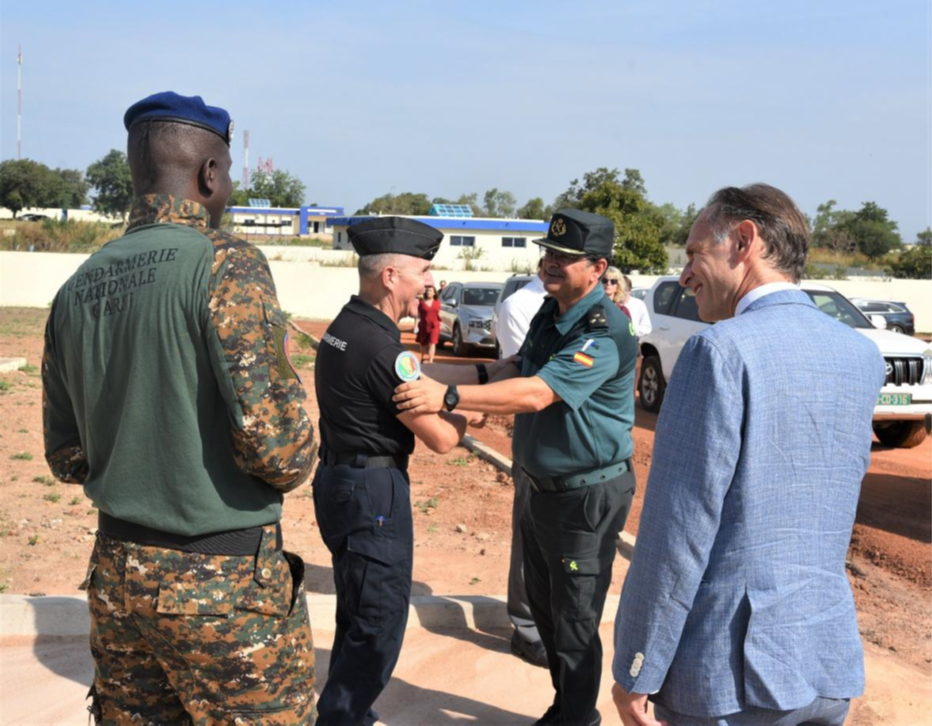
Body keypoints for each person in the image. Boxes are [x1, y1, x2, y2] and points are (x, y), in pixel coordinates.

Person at [42, 92, 318, 724]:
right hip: (220, 584)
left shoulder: (76, 286)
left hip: (117, 578)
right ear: (209, 174)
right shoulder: (226, 263)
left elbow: (66, 458)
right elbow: (281, 453)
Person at [611, 184, 885, 726]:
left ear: (744, 241)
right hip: (824, 658)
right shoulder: (859, 353)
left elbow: (677, 532)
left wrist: (637, 666)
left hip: (728, 674)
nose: (686, 276)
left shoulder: (718, 351)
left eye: (693, 255)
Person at [394, 209, 639, 726]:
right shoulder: (552, 314)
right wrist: (419, 370)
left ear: (597, 269)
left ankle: (576, 718)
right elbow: (513, 367)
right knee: (545, 609)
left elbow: (537, 392)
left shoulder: (604, 329)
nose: (550, 265)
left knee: (574, 619)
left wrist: (450, 394)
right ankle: (564, 706)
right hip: (540, 488)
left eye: (565, 259)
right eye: (548, 255)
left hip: (584, 498)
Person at [312, 217, 503, 725]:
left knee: (356, 610)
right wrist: (465, 411)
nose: (429, 283)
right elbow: (440, 438)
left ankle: (346, 711)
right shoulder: (382, 348)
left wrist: (482, 376)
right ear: (392, 276)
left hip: (340, 482)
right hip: (373, 495)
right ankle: (343, 717)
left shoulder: (347, 327)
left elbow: (418, 378)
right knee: (379, 618)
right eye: (423, 271)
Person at [492, 258, 549, 668]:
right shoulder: (523, 306)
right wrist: (453, 398)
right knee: (529, 537)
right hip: (537, 436)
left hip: (573, 448)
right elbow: (520, 378)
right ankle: (527, 629)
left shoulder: (578, 309)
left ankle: (548, 624)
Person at [416, 284, 442, 363]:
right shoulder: (422, 303)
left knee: (432, 343)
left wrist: (442, 322)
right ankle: (423, 357)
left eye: (430, 291)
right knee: (423, 343)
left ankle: (431, 360)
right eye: (427, 291)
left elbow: (439, 313)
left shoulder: (437, 303)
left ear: (434, 293)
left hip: (434, 326)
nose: (428, 292)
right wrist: (416, 326)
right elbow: (418, 315)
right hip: (424, 325)